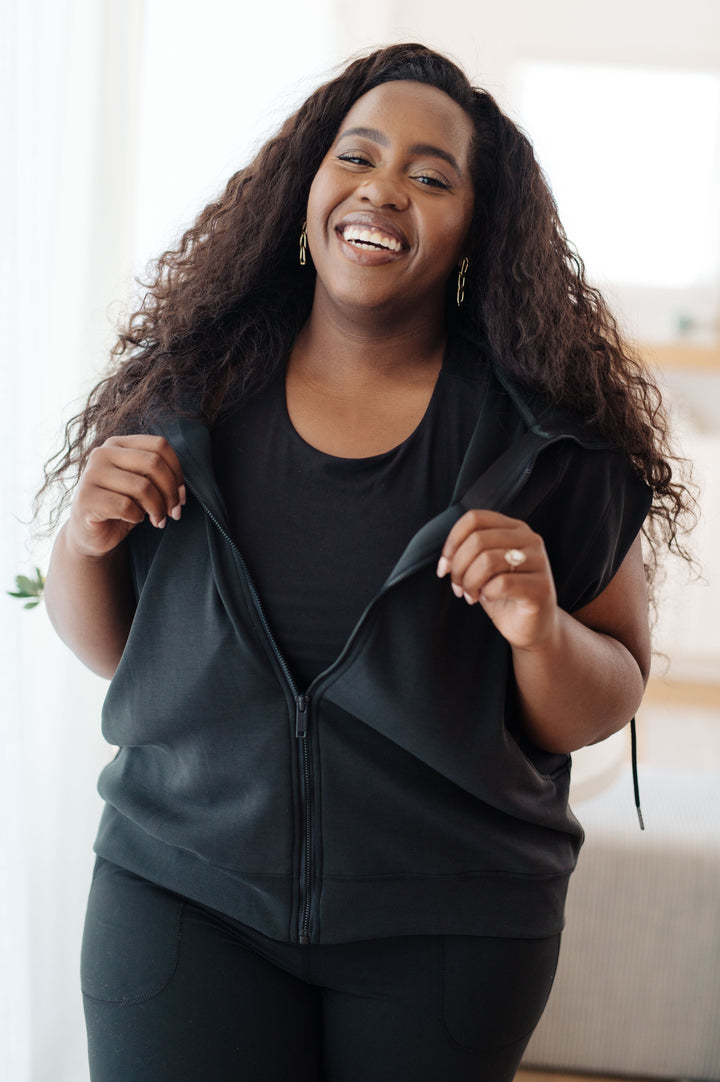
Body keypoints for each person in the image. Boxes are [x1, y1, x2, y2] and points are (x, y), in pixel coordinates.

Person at [41, 43, 690, 1082]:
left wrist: (539, 629)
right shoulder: (187, 393)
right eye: (358, 155)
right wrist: (83, 539)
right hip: (181, 897)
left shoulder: (545, 443)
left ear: (477, 228)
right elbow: (120, 654)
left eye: (432, 175)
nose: (383, 188)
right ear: (307, 186)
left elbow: (607, 691)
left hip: (450, 927)